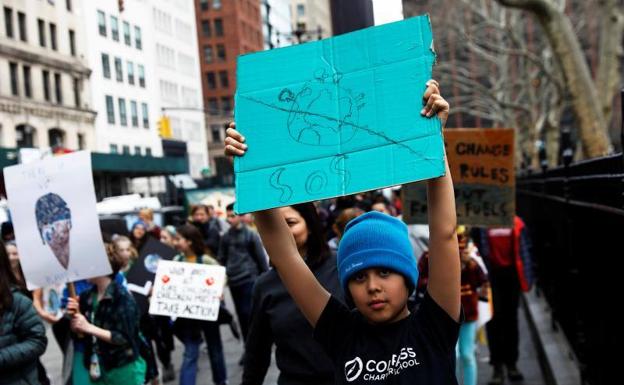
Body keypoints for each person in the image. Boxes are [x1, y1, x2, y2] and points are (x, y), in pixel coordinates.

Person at [225, 79, 462, 384]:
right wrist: (252, 167)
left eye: (385, 273)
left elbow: (443, 232)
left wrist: (433, 140)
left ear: (408, 277)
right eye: (359, 277)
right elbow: (285, 257)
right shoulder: (341, 332)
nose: (373, 287)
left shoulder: (434, 325)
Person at [242, 203, 344, 385]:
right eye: (275, 226)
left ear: (310, 225)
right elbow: (256, 352)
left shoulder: (344, 266)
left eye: (290, 223)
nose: (282, 232)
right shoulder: (265, 286)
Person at [417, 226, 488, 385]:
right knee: (451, 356)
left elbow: (483, 281)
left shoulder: (470, 257)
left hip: (468, 313)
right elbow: (420, 281)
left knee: (467, 355)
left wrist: (468, 264)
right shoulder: (429, 257)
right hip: (442, 315)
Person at [67, 243, 146, 385]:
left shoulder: (122, 297)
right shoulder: (86, 297)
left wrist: (89, 327)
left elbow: (124, 338)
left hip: (122, 368)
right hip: (97, 366)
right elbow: (81, 335)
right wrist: (75, 321)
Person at [471, 216, 533, 384]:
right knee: (493, 320)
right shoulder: (481, 225)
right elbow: (475, 250)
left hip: (511, 277)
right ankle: (497, 366)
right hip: (491, 277)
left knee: (511, 319)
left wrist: (527, 278)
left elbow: (525, 251)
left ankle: (512, 364)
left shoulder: (518, 223)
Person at [173, 224, 228, 385]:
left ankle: (221, 380)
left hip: (207, 311)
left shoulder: (205, 260)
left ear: (189, 241)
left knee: (214, 348)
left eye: (178, 239)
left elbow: (221, 275)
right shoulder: (177, 261)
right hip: (188, 313)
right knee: (190, 352)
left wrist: (218, 288)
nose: (175, 242)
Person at [218, 202, 269, 347]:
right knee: (241, 315)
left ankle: (256, 345)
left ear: (240, 216)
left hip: (249, 279)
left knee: (249, 313)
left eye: (232, 216)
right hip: (234, 281)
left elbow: (260, 258)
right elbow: (221, 258)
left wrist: (266, 279)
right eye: (227, 216)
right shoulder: (225, 237)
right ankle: (248, 346)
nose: (229, 219)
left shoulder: (250, 235)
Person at [0, 239, 48, 385]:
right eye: (10, 254)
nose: (13, 257)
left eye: (15, 253)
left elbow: (37, 341)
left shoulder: (17, 302)